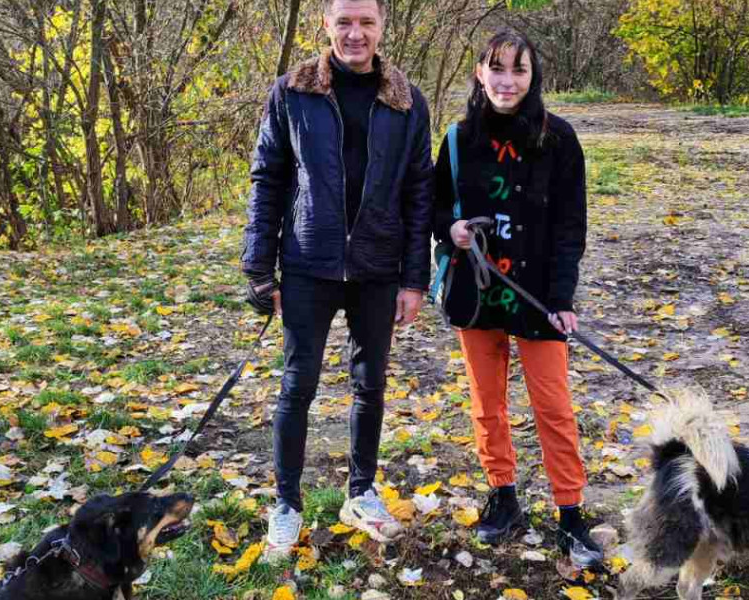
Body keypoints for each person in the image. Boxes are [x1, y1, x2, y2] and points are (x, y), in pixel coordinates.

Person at [241, 0, 433, 561]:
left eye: (366, 22)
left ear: (381, 28)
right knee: (296, 386)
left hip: (378, 266)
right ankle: (286, 504)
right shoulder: (291, 92)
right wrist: (258, 267)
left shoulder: (406, 100)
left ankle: (361, 492)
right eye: (344, 21)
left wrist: (414, 279)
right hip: (307, 262)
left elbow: (419, 191)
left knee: (370, 384)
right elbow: (267, 179)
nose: (355, 33)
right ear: (325, 24)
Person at [433, 29, 604, 569]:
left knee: (553, 407)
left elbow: (570, 226)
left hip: (537, 297)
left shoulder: (560, 140)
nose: (507, 81)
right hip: (477, 294)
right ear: (480, 73)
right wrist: (453, 228)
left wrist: (562, 297)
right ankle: (503, 495)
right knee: (488, 404)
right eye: (496, 68)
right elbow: (433, 208)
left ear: (534, 77)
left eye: (519, 70)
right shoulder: (459, 139)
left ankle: (571, 515)